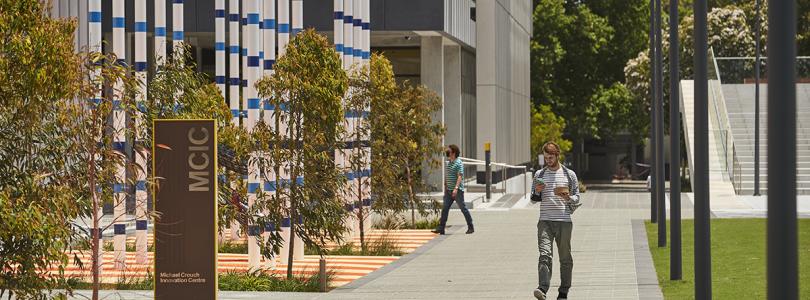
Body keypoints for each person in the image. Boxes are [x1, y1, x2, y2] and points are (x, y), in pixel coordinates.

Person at [531, 142, 581, 300]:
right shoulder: (539, 174)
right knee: (544, 255)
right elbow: (533, 199)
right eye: (546, 158)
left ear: (557, 155)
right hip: (545, 221)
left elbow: (577, 197)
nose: (548, 160)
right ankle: (543, 288)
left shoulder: (569, 174)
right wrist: (537, 192)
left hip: (564, 221)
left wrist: (568, 197)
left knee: (565, 257)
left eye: (550, 157)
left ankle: (563, 291)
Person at [432, 144, 474, 235]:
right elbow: (447, 174)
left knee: (463, 208)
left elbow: (460, 176)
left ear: (454, 153)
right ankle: (441, 228)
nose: (447, 153)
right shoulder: (449, 162)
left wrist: (456, 188)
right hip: (448, 190)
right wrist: (445, 184)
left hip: (457, 190)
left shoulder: (458, 163)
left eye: (449, 151)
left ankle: (470, 226)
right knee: (445, 208)